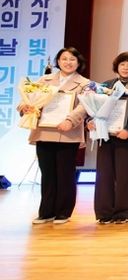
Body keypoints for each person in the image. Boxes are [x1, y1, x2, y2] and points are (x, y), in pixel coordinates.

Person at [18, 47, 89, 225]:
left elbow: (85, 106)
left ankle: (63, 212)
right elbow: (30, 97)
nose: (68, 62)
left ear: (78, 63)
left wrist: (70, 120)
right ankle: (46, 212)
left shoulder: (85, 83)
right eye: (64, 59)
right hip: (45, 131)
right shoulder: (45, 79)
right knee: (47, 173)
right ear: (58, 61)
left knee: (65, 173)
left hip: (68, 133)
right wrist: (24, 107)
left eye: (72, 59)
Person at [90, 51, 128, 224]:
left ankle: (122, 213)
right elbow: (95, 109)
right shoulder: (106, 85)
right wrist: (91, 121)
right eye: (122, 64)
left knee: (124, 176)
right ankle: (104, 213)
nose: (125, 68)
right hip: (106, 136)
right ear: (117, 66)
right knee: (104, 175)